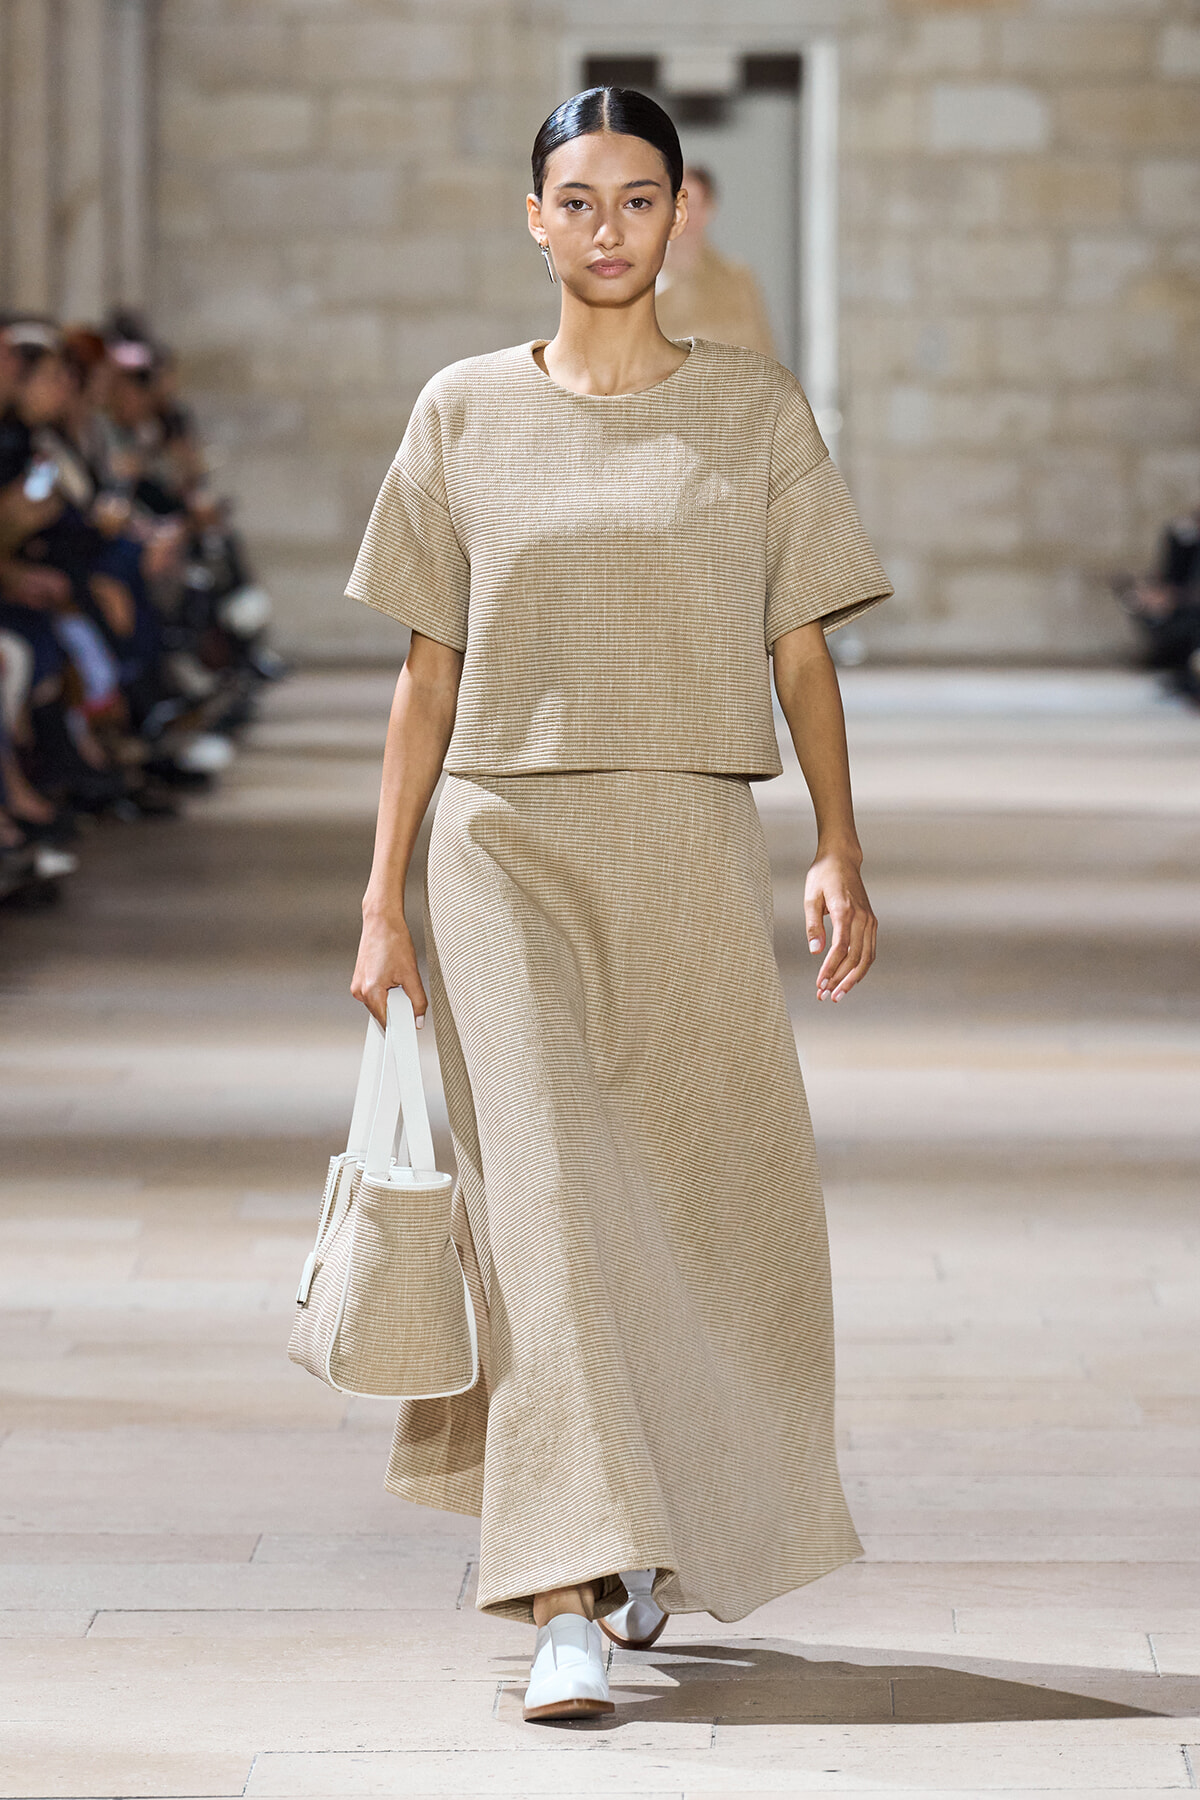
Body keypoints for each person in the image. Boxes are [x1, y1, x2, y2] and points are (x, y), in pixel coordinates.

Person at [347, 86, 892, 1724]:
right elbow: (423, 679)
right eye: (575, 200)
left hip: (685, 839)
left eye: (634, 200)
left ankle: (643, 1520)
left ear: (678, 217)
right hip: (502, 846)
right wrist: (380, 899)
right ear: (533, 221)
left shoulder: (753, 412)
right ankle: (565, 1594)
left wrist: (840, 849)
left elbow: (803, 646)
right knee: (557, 1202)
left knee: (696, 1195)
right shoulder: (458, 413)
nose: (605, 228)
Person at [654, 163, 776, 356]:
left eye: (693, 206)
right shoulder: (642, 279)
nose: (684, 216)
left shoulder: (737, 280)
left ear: (709, 209)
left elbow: (763, 352)